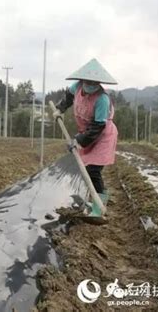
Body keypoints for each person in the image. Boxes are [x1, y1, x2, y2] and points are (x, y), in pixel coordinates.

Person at [53, 58, 118, 219]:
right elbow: (68, 97)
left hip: (102, 135)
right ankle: (95, 199)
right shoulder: (77, 87)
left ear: (99, 83)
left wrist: (80, 141)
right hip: (87, 132)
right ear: (82, 80)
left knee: (93, 170)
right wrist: (60, 109)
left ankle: (99, 206)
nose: (90, 85)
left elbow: (98, 126)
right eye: (87, 81)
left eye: (94, 82)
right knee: (85, 169)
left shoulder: (102, 99)